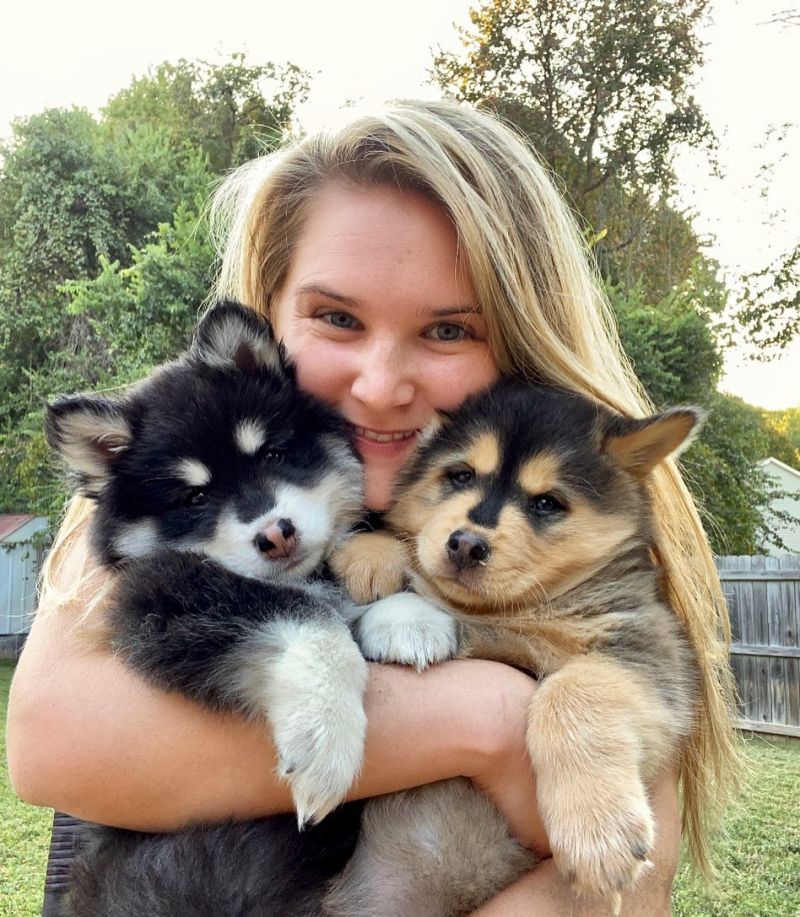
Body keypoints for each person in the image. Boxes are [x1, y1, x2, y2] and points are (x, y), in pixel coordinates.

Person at [6, 99, 738, 915]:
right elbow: (50, 746)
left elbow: (623, 883)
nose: (382, 386)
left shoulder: (580, 555)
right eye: (337, 317)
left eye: (450, 331)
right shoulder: (163, 505)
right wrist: (483, 715)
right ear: (270, 314)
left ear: (525, 339)